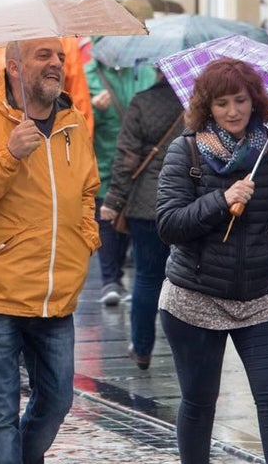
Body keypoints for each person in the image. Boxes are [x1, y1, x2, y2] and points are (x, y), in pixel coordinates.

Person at [156, 58, 268, 464]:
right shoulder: (186, 151)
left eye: (240, 100)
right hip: (194, 299)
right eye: (222, 103)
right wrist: (222, 199)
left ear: (255, 101)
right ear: (206, 108)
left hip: (262, 296)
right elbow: (168, 224)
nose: (233, 111)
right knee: (199, 402)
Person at [0, 37, 100, 463]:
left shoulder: (73, 122)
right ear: (13, 66)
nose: (56, 65)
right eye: (43, 56)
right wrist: (8, 155)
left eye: (59, 57)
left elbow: (88, 189)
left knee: (57, 402)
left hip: (57, 293)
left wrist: (85, 238)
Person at [100, 69, 183, 369]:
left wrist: (113, 200)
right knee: (186, 280)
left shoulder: (142, 101)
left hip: (147, 203)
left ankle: (142, 347)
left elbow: (126, 157)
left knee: (148, 277)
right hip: (188, 200)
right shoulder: (198, 102)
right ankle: (186, 349)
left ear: (159, 69)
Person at [86, 53, 155, 306]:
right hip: (103, 157)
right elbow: (75, 113)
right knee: (105, 217)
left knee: (128, 217)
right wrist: (94, 108)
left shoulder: (142, 71)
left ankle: (119, 277)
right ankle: (109, 281)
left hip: (137, 160)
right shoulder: (87, 72)